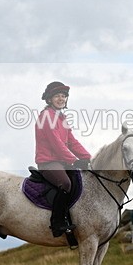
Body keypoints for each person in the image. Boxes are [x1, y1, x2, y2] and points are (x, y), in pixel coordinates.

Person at [35, 81, 92, 238]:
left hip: (62, 161)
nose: (61, 99)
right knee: (65, 184)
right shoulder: (46, 117)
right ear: (49, 99)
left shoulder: (61, 118)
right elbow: (56, 144)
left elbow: (72, 141)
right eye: (57, 96)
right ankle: (57, 223)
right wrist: (74, 160)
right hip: (48, 162)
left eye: (64, 96)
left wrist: (87, 157)